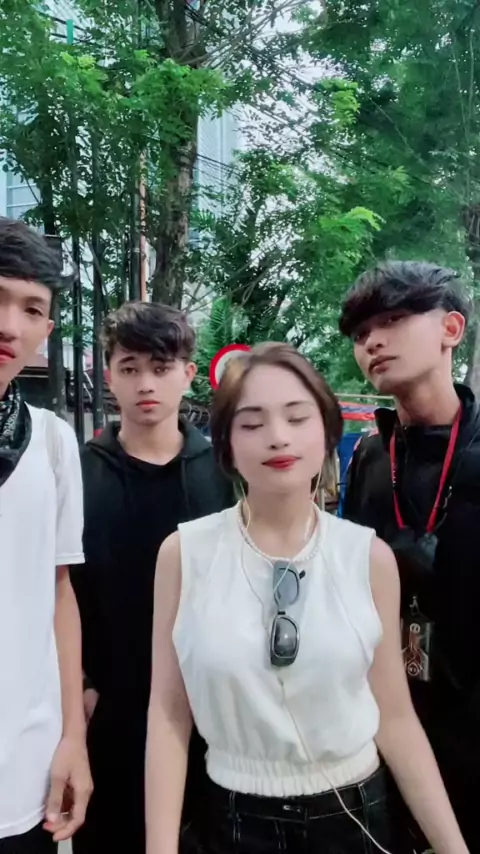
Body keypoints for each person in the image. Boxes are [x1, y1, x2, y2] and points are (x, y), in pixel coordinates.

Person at [145, 341, 468, 854]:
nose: (278, 436)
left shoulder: (368, 557)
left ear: (326, 433)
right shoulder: (185, 554)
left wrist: (453, 846)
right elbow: (168, 716)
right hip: (231, 820)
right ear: (226, 444)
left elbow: (395, 717)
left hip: (355, 819)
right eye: (252, 423)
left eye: (297, 418)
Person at [71, 301, 234, 854]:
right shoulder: (78, 473)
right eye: (130, 367)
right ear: (108, 374)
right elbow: (63, 591)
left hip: (210, 708)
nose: (146, 384)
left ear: (188, 374)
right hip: (110, 709)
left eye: (161, 368)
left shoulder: (222, 473)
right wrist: (81, 687)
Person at [339, 261, 480, 849]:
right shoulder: (370, 458)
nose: (372, 341)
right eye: (360, 332)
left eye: (393, 320)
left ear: (451, 328)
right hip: (386, 727)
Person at [0, 218, 92, 854]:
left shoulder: (55, 442)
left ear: (47, 329)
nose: (10, 325)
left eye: (31, 309)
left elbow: (59, 592)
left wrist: (73, 738)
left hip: (23, 769)